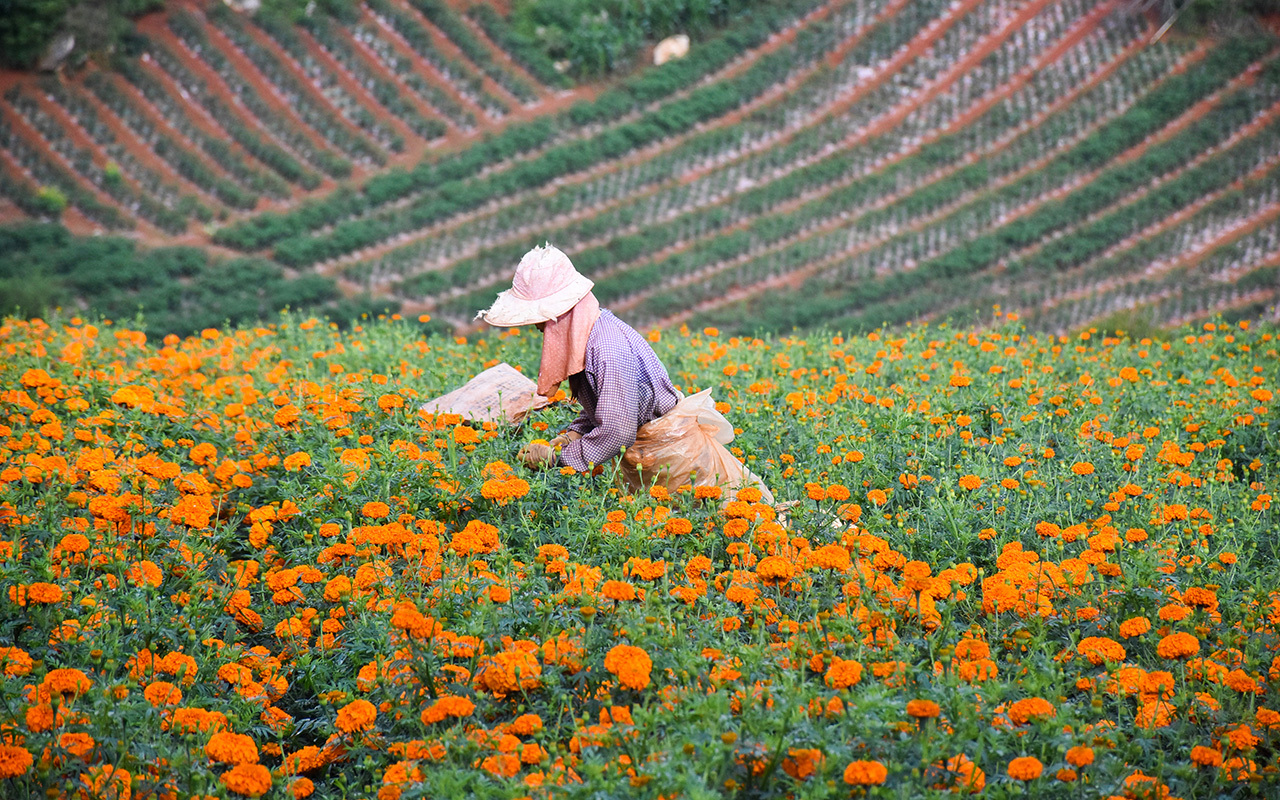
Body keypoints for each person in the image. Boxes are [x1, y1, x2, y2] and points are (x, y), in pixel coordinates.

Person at [476, 245, 773, 502]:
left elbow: (619, 429)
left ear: (559, 313)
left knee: (718, 518)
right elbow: (612, 401)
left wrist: (558, 459)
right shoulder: (593, 333)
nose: (538, 328)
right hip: (653, 454)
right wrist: (572, 434)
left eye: (539, 319)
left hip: (673, 457)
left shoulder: (607, 350)